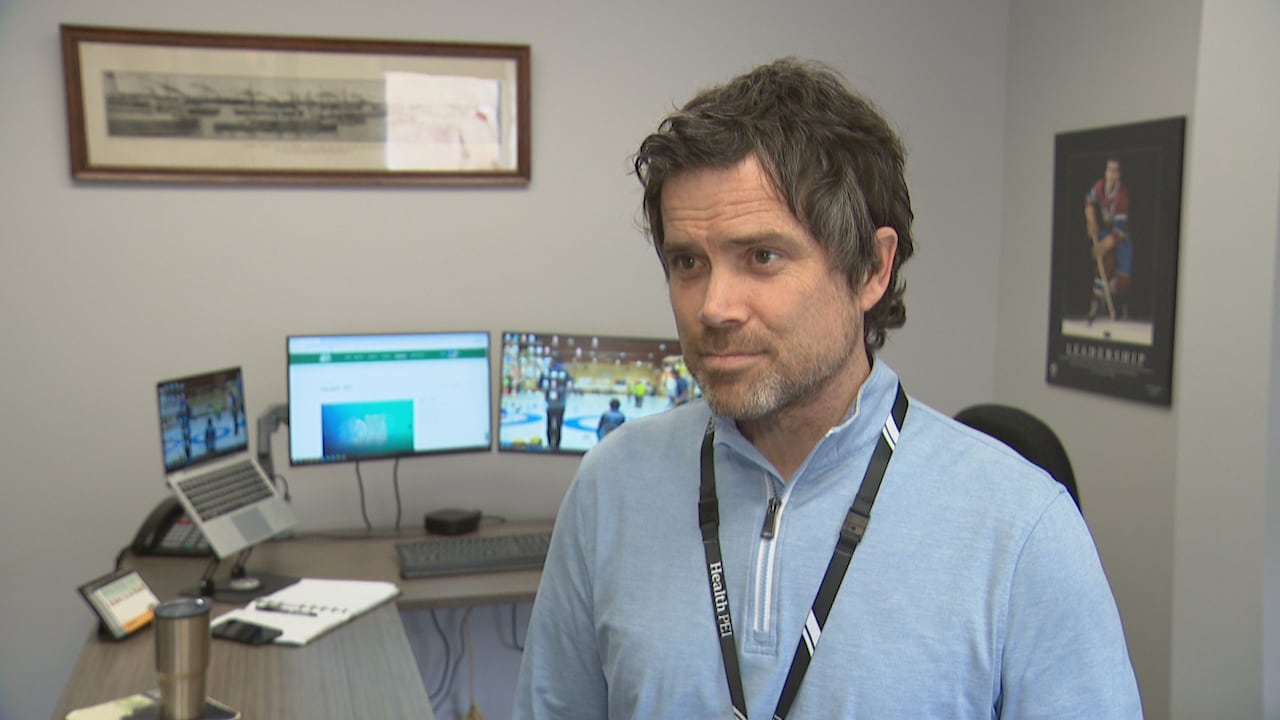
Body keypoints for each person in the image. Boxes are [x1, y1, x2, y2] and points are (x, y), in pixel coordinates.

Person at [512, 58, 1142, 719]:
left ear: (872, 268)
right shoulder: (611, 488)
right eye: (688, 263)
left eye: (763, 256)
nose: (714, 307)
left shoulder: (1021, 532)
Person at [1084, 157, 1131, 323]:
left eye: (1115, 171)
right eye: (1108, 169)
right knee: (1103, 265)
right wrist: (1091, 221)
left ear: (1119, 174)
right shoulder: (1100, 186)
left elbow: (1118, 233)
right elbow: (1089, 201)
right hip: (1107, 232)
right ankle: (1095, 305)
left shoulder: (1122, 197)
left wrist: (1103, 246)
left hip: (1122, 237)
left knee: (1122, 281)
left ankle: (1114, 300)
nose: (1111, 174)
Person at [539, 355, 573, 451]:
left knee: (549, 423)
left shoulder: (546, 372)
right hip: (561, 404)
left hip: (550, 404)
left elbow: (540, 386)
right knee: (558, 424)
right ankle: (557, 446)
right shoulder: (565, 372)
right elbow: (570, 385)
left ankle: (550, 444)